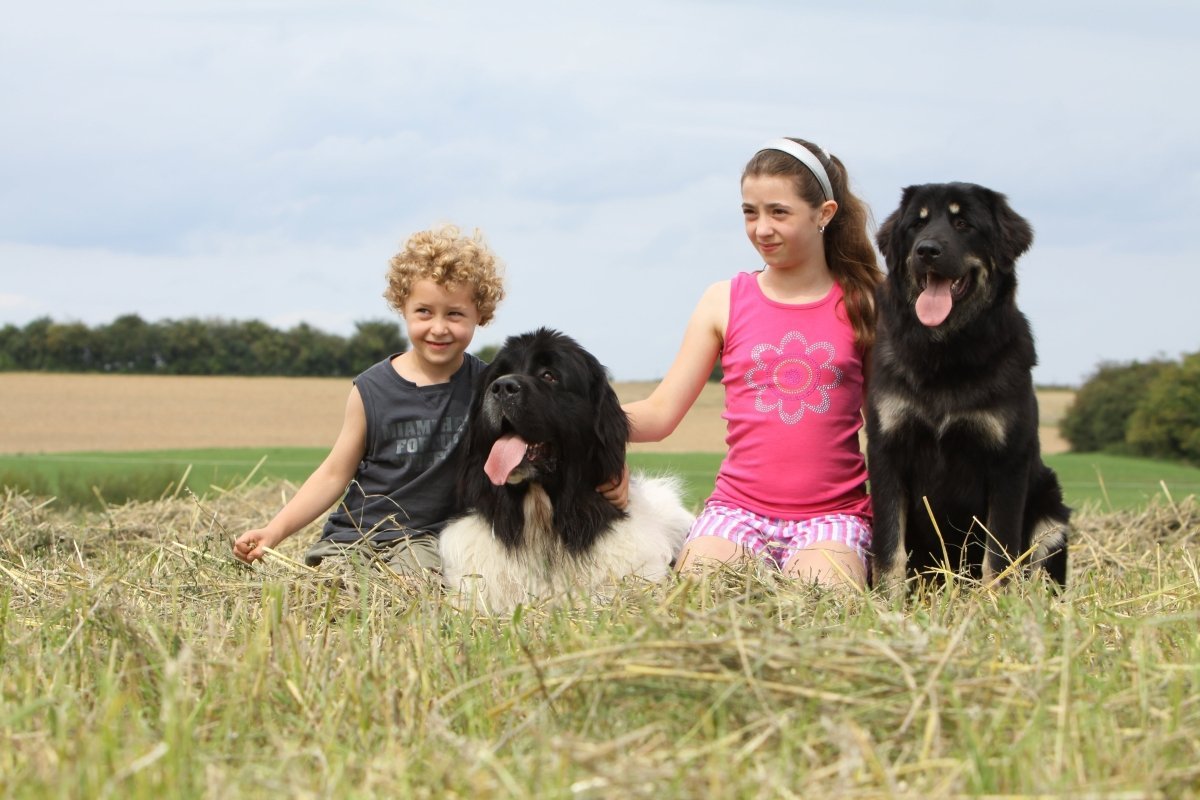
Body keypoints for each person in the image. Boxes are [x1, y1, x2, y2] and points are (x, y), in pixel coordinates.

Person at [623, 137, 884, 587]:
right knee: (700, 600)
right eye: (750, 212)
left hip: (833, 516)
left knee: (820, 607)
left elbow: (887, 426)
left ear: (824, 214)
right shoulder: (722, 301)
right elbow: (660, 414)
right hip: (736, 511)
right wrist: (564, 421)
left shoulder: (866, 302)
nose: (761, 228)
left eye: (778, 212)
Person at [232, 224, 505, 578]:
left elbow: (536, 449)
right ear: (402, 307)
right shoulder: (372, 389)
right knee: (335, 589)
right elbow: (333, 474)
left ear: (480, 315)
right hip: (354, 536)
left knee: (416, 586)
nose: (439, 327)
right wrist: (275, 531)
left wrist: (601, 480)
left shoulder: (487, 387)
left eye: (454, 314)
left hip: (423, 541)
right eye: (424, 311)